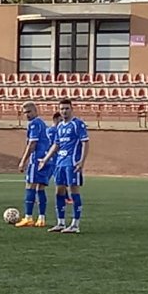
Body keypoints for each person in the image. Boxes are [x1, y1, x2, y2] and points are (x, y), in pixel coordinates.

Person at [39, 99, 89, 234]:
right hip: (60, 163)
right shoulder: (60, 126)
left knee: (73, 191)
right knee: (59, 191)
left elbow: (85, 143)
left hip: (72, 163)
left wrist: (82, 161)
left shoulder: (77, 124)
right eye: (62, 109)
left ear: (72, 109)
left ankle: (75, 224)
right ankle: (60, 222)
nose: (64, 111)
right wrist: (45, 159)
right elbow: (56, 145)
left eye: (67, 108)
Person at [15, 102, 53, 227]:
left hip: (37, 159)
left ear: (36, 111)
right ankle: (41, 219)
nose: (27, 115)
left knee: (30, 185)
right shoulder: (42, 123)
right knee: (40, 188)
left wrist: (23, 161)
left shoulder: (34, 123)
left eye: (29, 112)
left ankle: (28, 217)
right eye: (25, 112)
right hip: (47, 159)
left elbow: (32, 144)